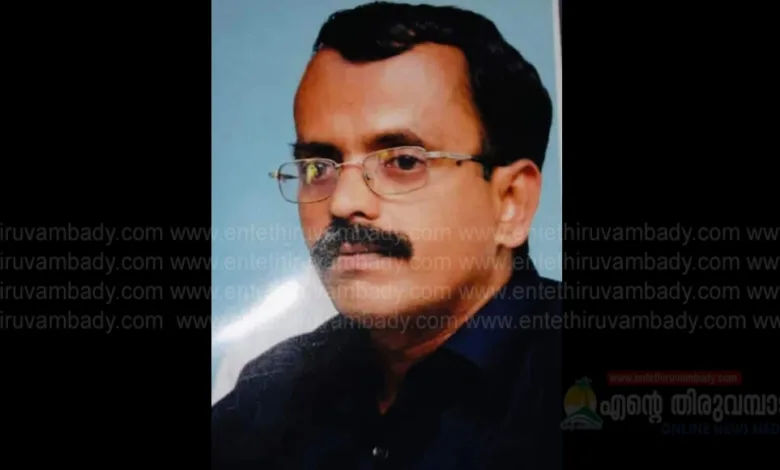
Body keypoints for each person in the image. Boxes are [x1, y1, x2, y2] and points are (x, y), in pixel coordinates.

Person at [211, 2, 562, 469]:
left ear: (511, 201)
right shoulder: (270, 393)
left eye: (403, 161)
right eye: (317, 167)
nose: (342, 202)